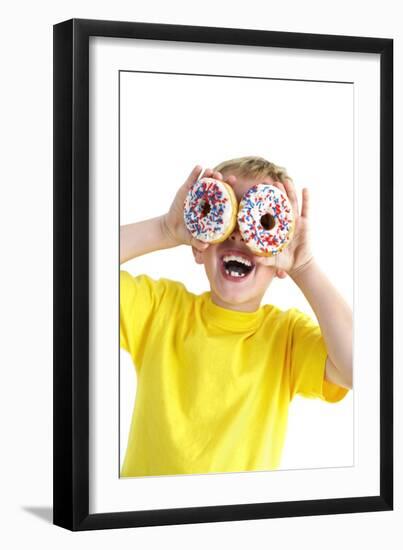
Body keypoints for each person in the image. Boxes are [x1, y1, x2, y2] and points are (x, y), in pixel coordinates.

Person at [119, 155, 352, 477]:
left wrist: (304, 267)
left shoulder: (285, 337)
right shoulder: (159, 309)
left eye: (261, 222)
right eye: (225, 216)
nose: (239, 234)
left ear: (279, 252)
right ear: (200, 246)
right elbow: (71, 270)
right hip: (141, 516)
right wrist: (164, 229)